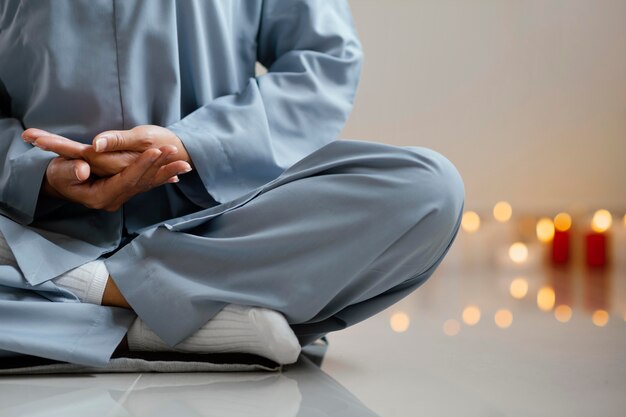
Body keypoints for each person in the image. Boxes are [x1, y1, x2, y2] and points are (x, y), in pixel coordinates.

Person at [0, 0, 464, 367]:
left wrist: (193, 146)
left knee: (430, 190)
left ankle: (86, 292)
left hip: (222, 227)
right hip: (32, 225)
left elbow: (324, 63)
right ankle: (178, 322)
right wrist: (36, 171)